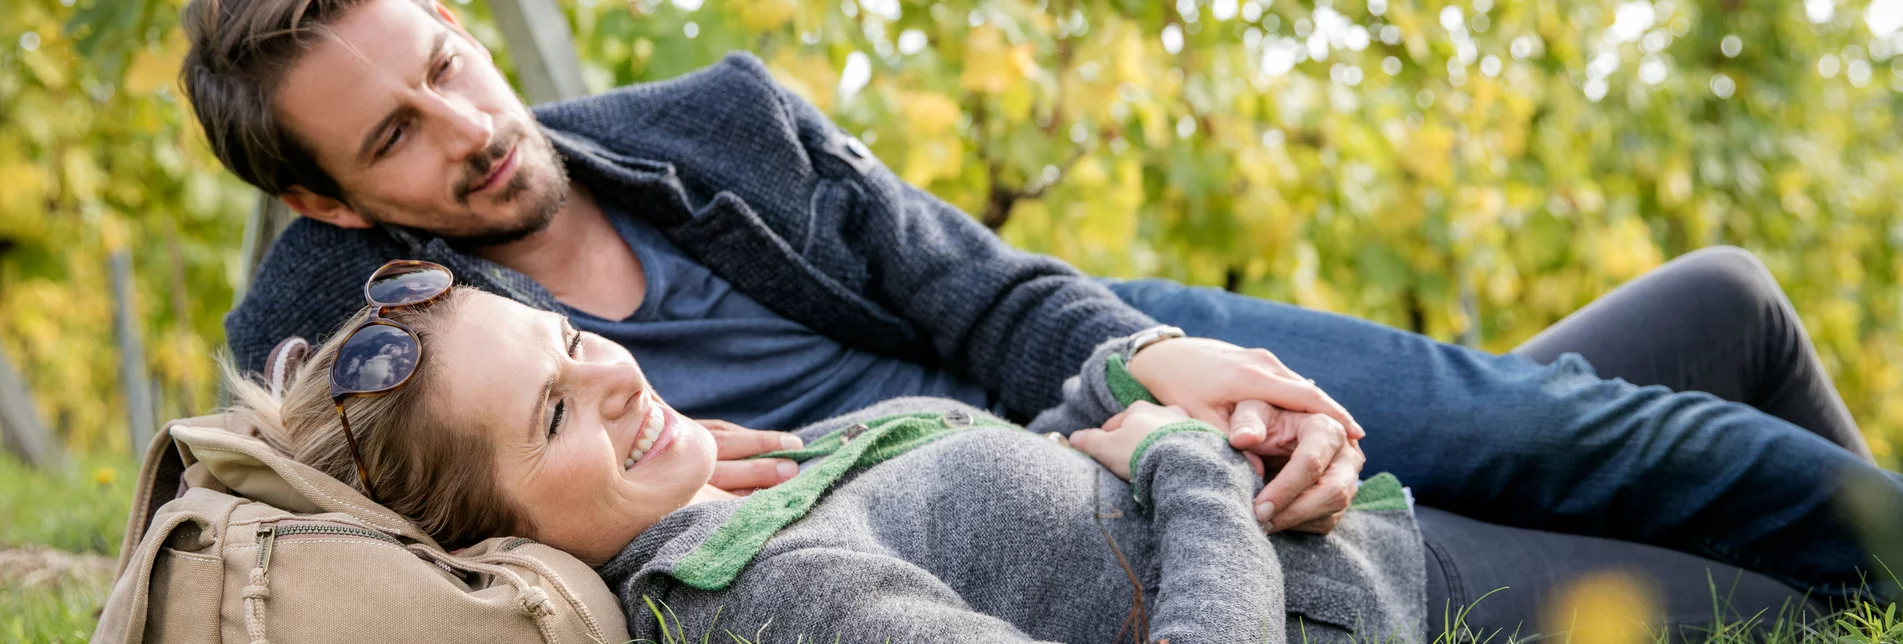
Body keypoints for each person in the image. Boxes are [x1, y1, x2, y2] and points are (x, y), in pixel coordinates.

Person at [181, 0, 1901, 608]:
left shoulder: (713, 118)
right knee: (1632, 420)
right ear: (326, 198)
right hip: (1014, 510)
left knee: (1542, 424)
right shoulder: (355, 340)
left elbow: (977, 290)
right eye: (399, 132)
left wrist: (1154, 369)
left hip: (1074, 355)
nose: (475, 129)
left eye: (452, 63)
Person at [225, 260, 1815, 642]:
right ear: (509, 526)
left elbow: (1031, 458)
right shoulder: (772, 595)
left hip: (1330, 505)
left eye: (575, 347)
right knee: (1811, 559)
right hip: (1397, 593)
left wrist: (1157, 403)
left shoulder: (736, 475)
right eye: (554, 419)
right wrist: (1185, 471)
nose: (615, 387)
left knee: (1726, 302)